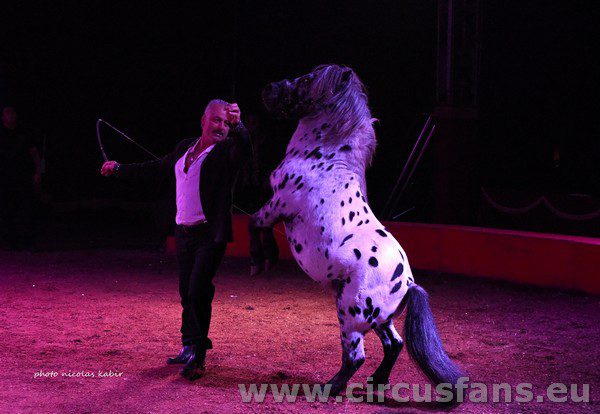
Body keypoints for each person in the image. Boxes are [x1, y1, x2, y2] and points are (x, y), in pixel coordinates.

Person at [100, 100, 251, 380]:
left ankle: (199, 357)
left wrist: (239, 124)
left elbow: (245, 149)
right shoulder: (185, 147)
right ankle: (187, 345)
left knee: (197, 291)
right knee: (186, 292)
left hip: (209, 235)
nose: (221, 127)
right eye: (216, 120)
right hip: (184, 233)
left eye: (225, 123)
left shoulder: (227, 152)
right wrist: (119, 168)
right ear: (203, 120)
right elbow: (155, 168)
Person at [0, 105, 42, 250]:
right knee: (7, 211)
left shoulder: (23, 133)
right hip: (5, 179)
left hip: (23, 177)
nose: (11, 116)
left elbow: (34, 153)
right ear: (2, 117)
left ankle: (28, 241)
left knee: (26, 209)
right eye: (7, 113)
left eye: (13, 113)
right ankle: (11, 242)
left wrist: (38, 171)